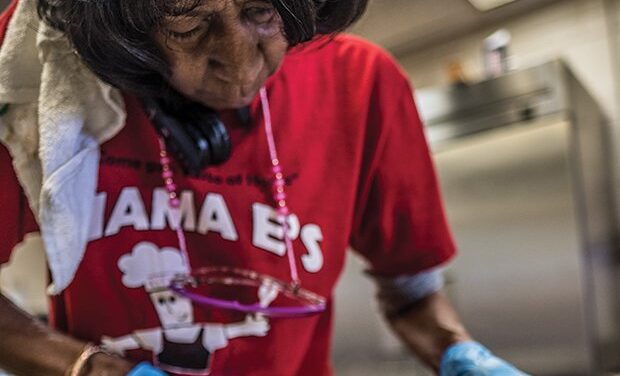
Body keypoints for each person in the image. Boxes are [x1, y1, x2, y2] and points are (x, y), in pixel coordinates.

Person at [0, 0, 528, 375]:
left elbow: (413, 297)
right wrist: (89, 370)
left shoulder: (362, 86)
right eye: (186, 25)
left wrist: (460, 352)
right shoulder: (46, 86)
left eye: (264, 11)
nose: (241, 64)